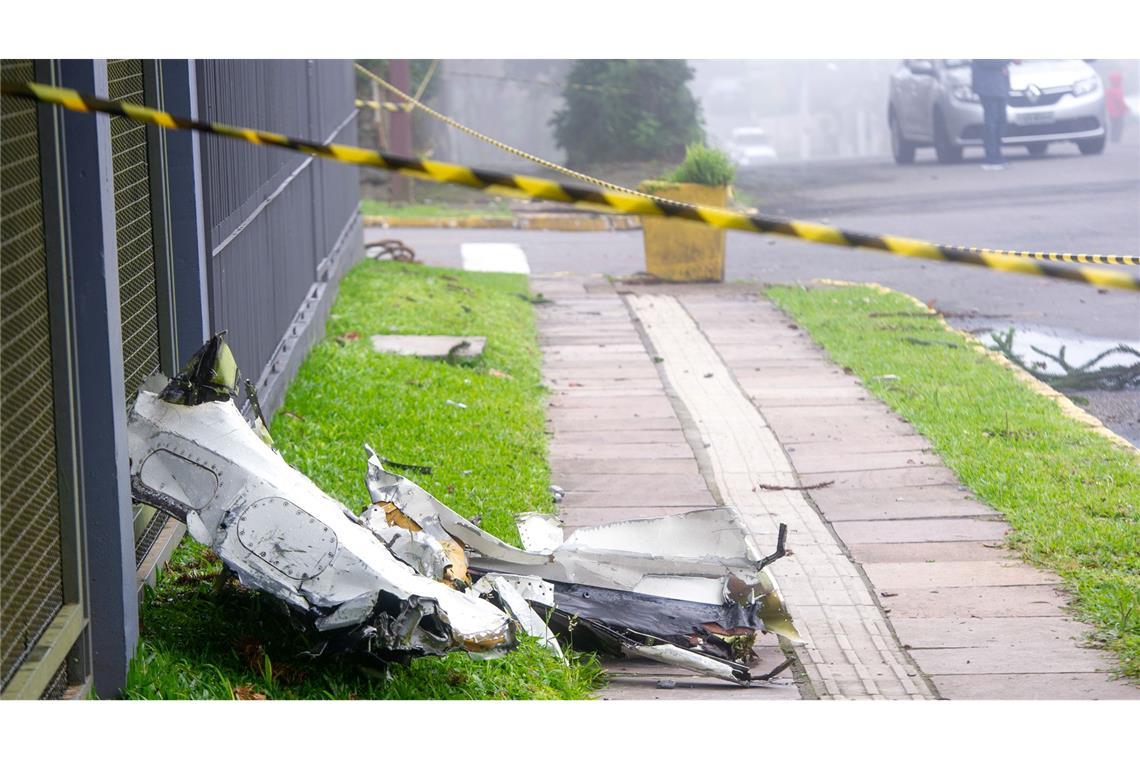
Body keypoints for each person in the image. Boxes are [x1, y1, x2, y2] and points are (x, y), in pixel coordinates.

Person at [971, 59, 1014, 170]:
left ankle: (997, 153)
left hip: (1001, 87)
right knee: (991, 121)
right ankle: (991, 156)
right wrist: (1008, 59)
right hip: (987, 87)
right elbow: (987, 62)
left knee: (1001, 120)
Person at [1105, 71, 1130, 144]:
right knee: (1119, 127)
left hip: (1110, 113)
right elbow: (1120, 101)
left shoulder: (1108, 90)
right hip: (1118, 113)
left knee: (1113, 127)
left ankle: (1113, 140)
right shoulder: (1118, 90)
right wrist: (1126, 108)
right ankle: (1116, 140)